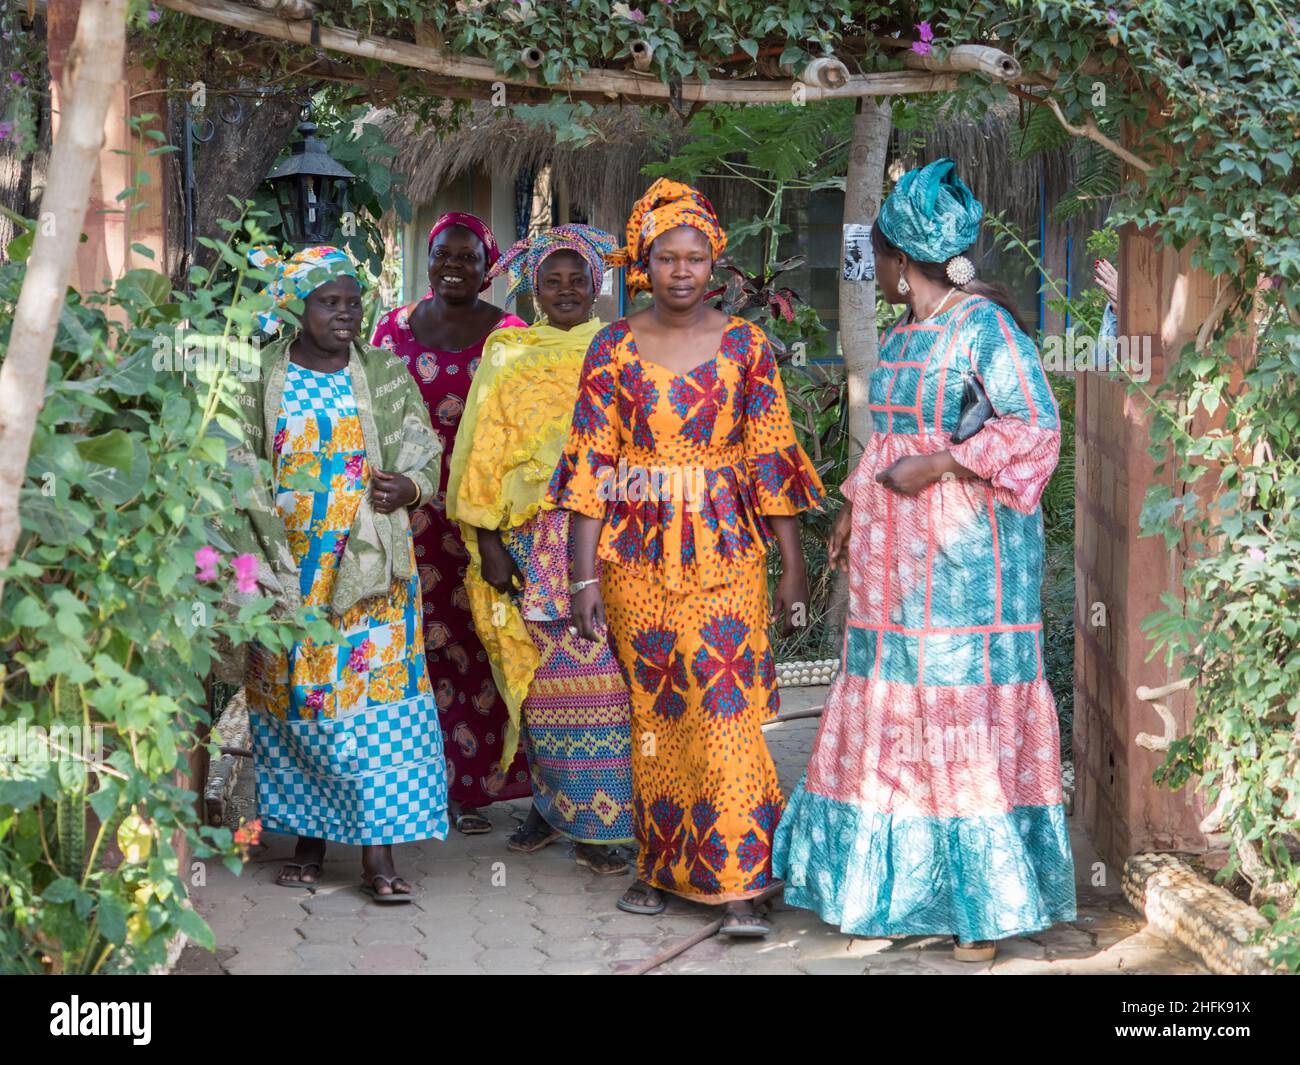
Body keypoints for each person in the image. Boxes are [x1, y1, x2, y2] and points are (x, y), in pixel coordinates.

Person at [773, 159, 1076, 961]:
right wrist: (849, 507)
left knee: (954, 706)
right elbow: (887, 440)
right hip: (889, 568)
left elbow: (1037, 431)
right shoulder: (909, 337)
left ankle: (981, 906)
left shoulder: (987, 330)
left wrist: (942, 465)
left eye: (886, 259)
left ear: (906, 260)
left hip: (966, 569)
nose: (884, 272)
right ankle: (901, 894)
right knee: (895, 700)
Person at [547, 179, 824, 936]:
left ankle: (741, 881)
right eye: (666, 257)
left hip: (730, 554)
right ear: (644, 264)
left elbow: (771, 458)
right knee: (659, 715)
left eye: (695, 258)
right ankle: (661, 867)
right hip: (634, 562)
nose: (680, 271)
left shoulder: (748, 347)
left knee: (728, 709)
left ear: (715, 264)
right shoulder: (610, 348)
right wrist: (581, 574)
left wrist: (793, 565)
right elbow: (590, 468)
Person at [232, 245, 448, 902]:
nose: (346, 314)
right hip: (287, 571)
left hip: (372, 574)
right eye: (331, 302)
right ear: (299, 305)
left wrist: (406, 489)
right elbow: (237, 467)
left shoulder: (381, 373)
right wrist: (258, 564)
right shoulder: (260, 378)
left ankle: (377, 857)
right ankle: (308, 841)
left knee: (373, 704)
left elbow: (424, 455)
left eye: (354, 302)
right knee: (301, 702)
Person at [447, 224, 635, 874]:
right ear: (533, 287)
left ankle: (602, 824)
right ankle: (552, 807)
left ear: (595, 286)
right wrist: (490, 540)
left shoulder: (619, 349)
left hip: (606, 545)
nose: (563, 290)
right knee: (540, 686)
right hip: (529, 546)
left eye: (576, 279)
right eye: (550, 280)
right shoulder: (508, 351)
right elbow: (479, 452)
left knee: (606, 686)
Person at [371, 213, 531, 835]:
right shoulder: (393, 327)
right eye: (444, 255)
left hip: (482, 517)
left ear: (487, 265)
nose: (454, 267)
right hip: (408, 513)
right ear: (428, 258)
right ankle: (416, 784)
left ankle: (474, 786)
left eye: (468, 257)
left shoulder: (511, 336)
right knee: (413, 642)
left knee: (479, 640)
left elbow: (523, 430)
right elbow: (372, 410)